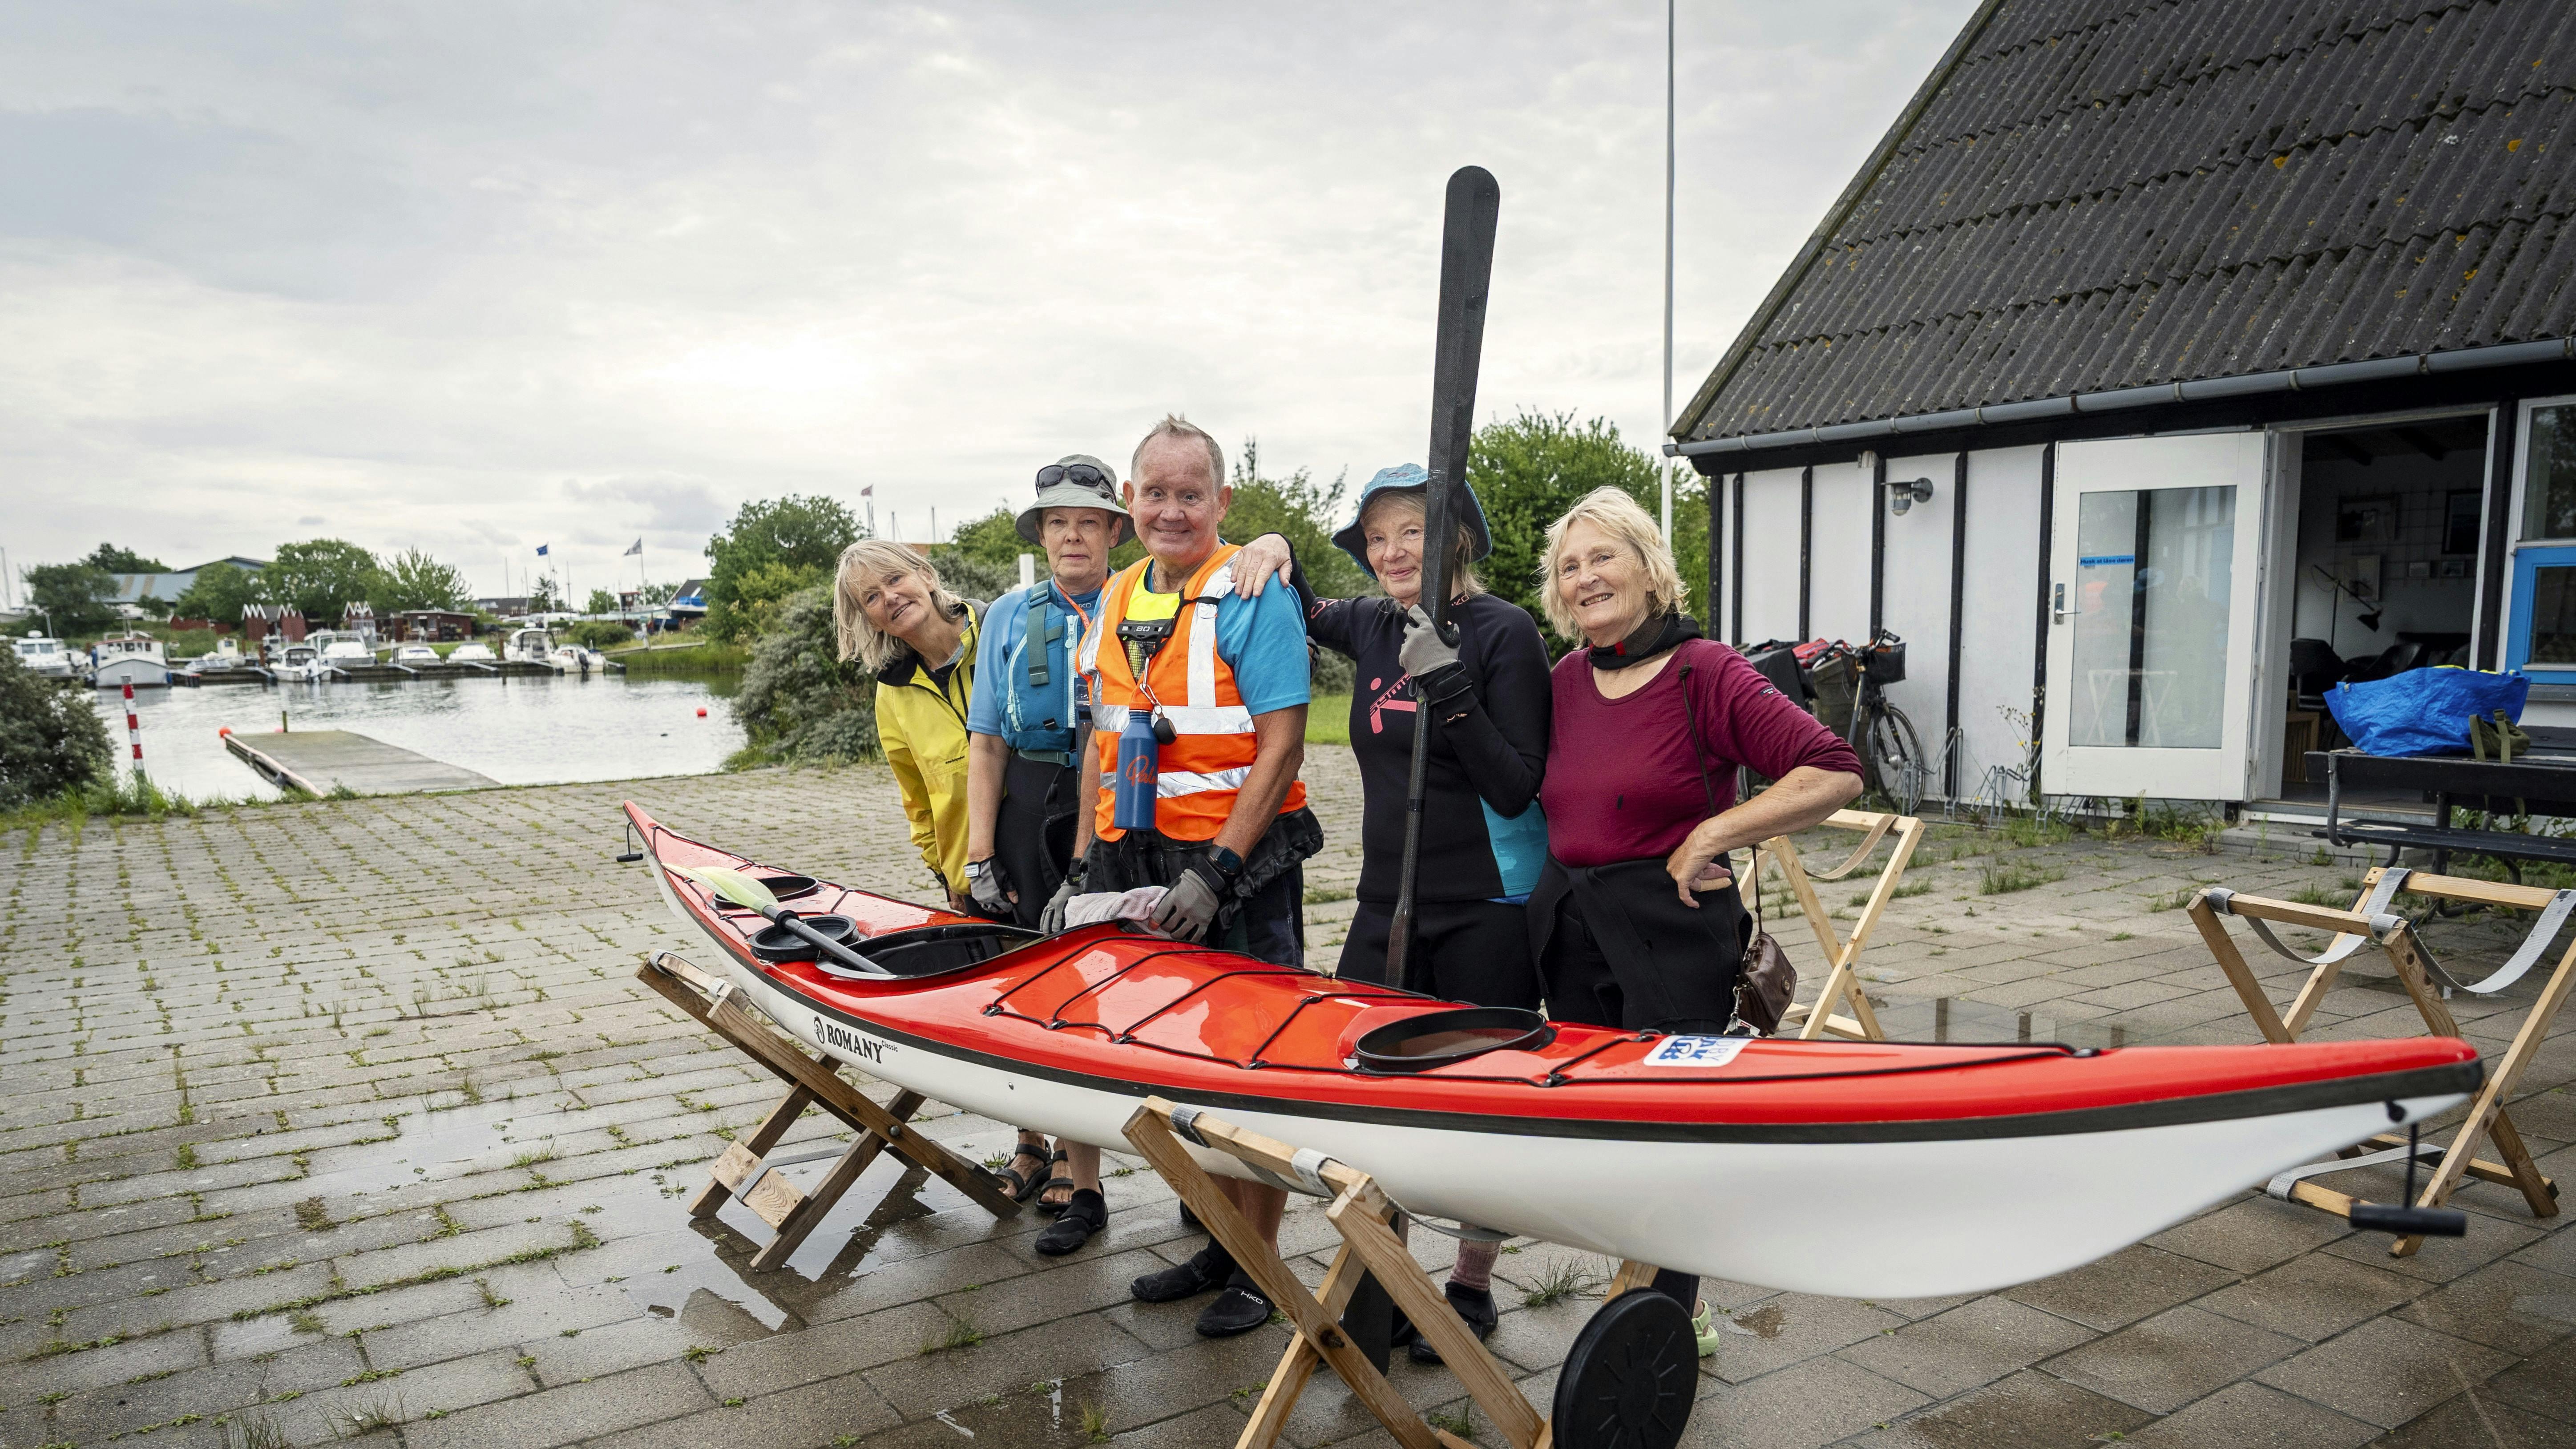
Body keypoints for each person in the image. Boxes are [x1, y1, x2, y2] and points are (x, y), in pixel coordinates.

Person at [1229, 463, 1549, 1363]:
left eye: (1410, 530)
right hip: (1386, 906)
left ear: (1454, 536)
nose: (1390, 551)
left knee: (1485, 1101)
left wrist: (1449, 687)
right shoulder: (1370, 624)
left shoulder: (1505, 632)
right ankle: (1384, 1275)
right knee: (1364, 1095)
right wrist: (1274, 543)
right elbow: (1294, 593)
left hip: (1488, 903)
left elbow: (1518, 783)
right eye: (1375, 537)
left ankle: (1474, 1280)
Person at [1534, 486, 1864, 1356]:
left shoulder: (1704, 671)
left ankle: (1666, 1318)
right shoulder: (1565, 679)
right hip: (1575, 933)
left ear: (1648, 565)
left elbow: (1833, 770)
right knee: (1603, 1133)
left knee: (1666, 1132)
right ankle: (1652, 1290)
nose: (1586, 578)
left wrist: (1718, 831)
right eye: (1570, 567)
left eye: (1603, 556)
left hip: (1675, 937)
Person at [1048, 414, 1321, 1338]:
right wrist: (1083, 861)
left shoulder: (1254, 591)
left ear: (1220, 501)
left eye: (1189, 494)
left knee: (1257, 1069)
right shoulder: (1117, 595)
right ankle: (1217, 1244)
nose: (1172, 510)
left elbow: (1282, 748)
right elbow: (1099, 742)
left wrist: (1219, 871)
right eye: (1155, 493)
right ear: (1132, 501)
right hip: (1140, 865)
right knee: (1180, 1069)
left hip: (1239, 870)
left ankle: (1263, 1268)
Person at [963, 455, 1131, 1254]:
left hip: (1113, 798)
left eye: (1087, 521)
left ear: (1111, 532)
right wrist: (978, 850)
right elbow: (986, 740)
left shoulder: (1140, 603)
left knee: (1095, 987)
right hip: (1029, 798)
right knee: (1025, 985)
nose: (1071, 534)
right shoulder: (1006, 614)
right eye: (1056, 521)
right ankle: (1038, 1145)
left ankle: (1088, 1170)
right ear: (1042, 532)